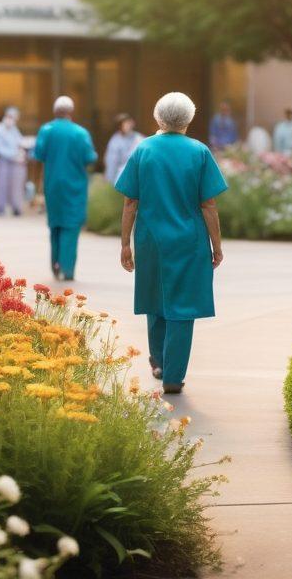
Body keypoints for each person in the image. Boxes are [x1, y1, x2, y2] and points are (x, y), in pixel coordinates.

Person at [116, 92, 228, 395]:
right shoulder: (199, 152)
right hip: (189, 242)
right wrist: (216, 245)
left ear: (158, 118)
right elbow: (208, 205)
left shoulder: (144, 150)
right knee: (183, 307)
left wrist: (125, 243)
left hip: (151, 239)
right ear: (189, 120)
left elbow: (130, 202)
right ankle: (173, 377)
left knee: (155, 298)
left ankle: (159, 362)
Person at [31, 96, 97, 282]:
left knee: (55, 224)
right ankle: (68, 269)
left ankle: (55, 264)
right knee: (71, 225)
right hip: (75, 186)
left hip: (52, 185)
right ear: (71, 111)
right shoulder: (80, 133)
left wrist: (37, 184)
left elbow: (38, 155)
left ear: (55, 111)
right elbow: (90, 157)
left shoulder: (46, 130)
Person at [0, 106, 27, 217]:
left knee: (16, 186)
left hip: (15, 162)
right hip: (3, 161)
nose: (12, 120)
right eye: (11, 117)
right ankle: (0, 208)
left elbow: (19, 141)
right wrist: (13, 156)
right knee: (2, 184)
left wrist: (22, 150)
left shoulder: (14, 129)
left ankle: (16, 207)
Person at [104, 113, 143, 186]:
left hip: (137, 178)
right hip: (119, 179)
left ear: (132, 123)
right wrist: (109, 181)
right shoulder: (115, 140)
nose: (126, 126)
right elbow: (111, 162)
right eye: (122, 124)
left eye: (127, 123)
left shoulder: (139, 139)